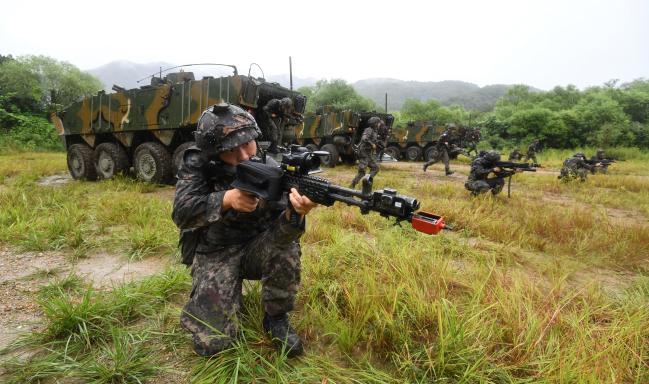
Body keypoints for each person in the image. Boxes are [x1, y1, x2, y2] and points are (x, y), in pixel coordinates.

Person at [172, 103, 317, 357]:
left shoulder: (268, 165)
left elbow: (280, 234)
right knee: (213, 344)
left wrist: (295, 214)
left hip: (255, 249)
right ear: (214, 153)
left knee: (286, 247)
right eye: (230, 150)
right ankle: (215, 292)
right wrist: (227, 199)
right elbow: (182, 213)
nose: (244, 156)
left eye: (248, 144)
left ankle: (276, 318)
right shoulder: (198, 164)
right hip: (215, 252)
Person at [350, 116, 381, 188]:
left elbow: (373, 139)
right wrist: (372, 144)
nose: (379, 124)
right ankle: (352, 185)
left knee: (375, 168)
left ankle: (367, 182)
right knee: (361, 172)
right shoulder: (368, 130)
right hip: (363, 153)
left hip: (368, 153)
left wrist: (378, 143)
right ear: (375, 123)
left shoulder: (374, 131)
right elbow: (365, 138)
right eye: (378, 123)